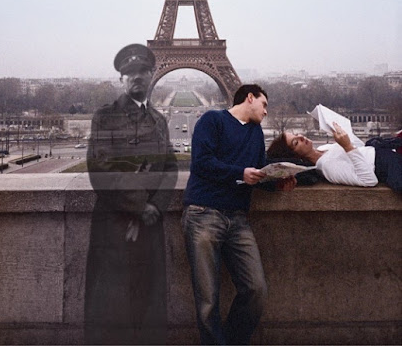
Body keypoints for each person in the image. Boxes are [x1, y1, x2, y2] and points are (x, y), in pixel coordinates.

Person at [182, 84, 296, 346]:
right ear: (250, 98)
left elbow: (258, 173)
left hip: (238, 218)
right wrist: (240, 173)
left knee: (256, 290)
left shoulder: (255, 133)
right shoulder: (212, 120)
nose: (266, 112)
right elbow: (201, 162)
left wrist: (278, 182)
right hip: (203, 213)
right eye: (264, 105)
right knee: (207, 300)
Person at [84, 44, 177, 345]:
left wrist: (154, 207)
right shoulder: (104, 117)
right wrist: (139, 207)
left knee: (147, 299)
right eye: (130, 73)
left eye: (142, 71)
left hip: (150, 222)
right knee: (113, 303)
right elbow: (100, 169)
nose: (136, 77)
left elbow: (170, 169)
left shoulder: (159, 121)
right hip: (114, 222)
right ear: (121, 79)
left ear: (152, 75)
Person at [267, 122, 402, 193]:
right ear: (295, 156)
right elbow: (369, 180)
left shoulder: (323, 149)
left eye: (297, 135)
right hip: (389, 164)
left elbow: (358, 152)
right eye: (296, 142)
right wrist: (347, 146)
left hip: (386, 152)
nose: (301, 137)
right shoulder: (327, 167)